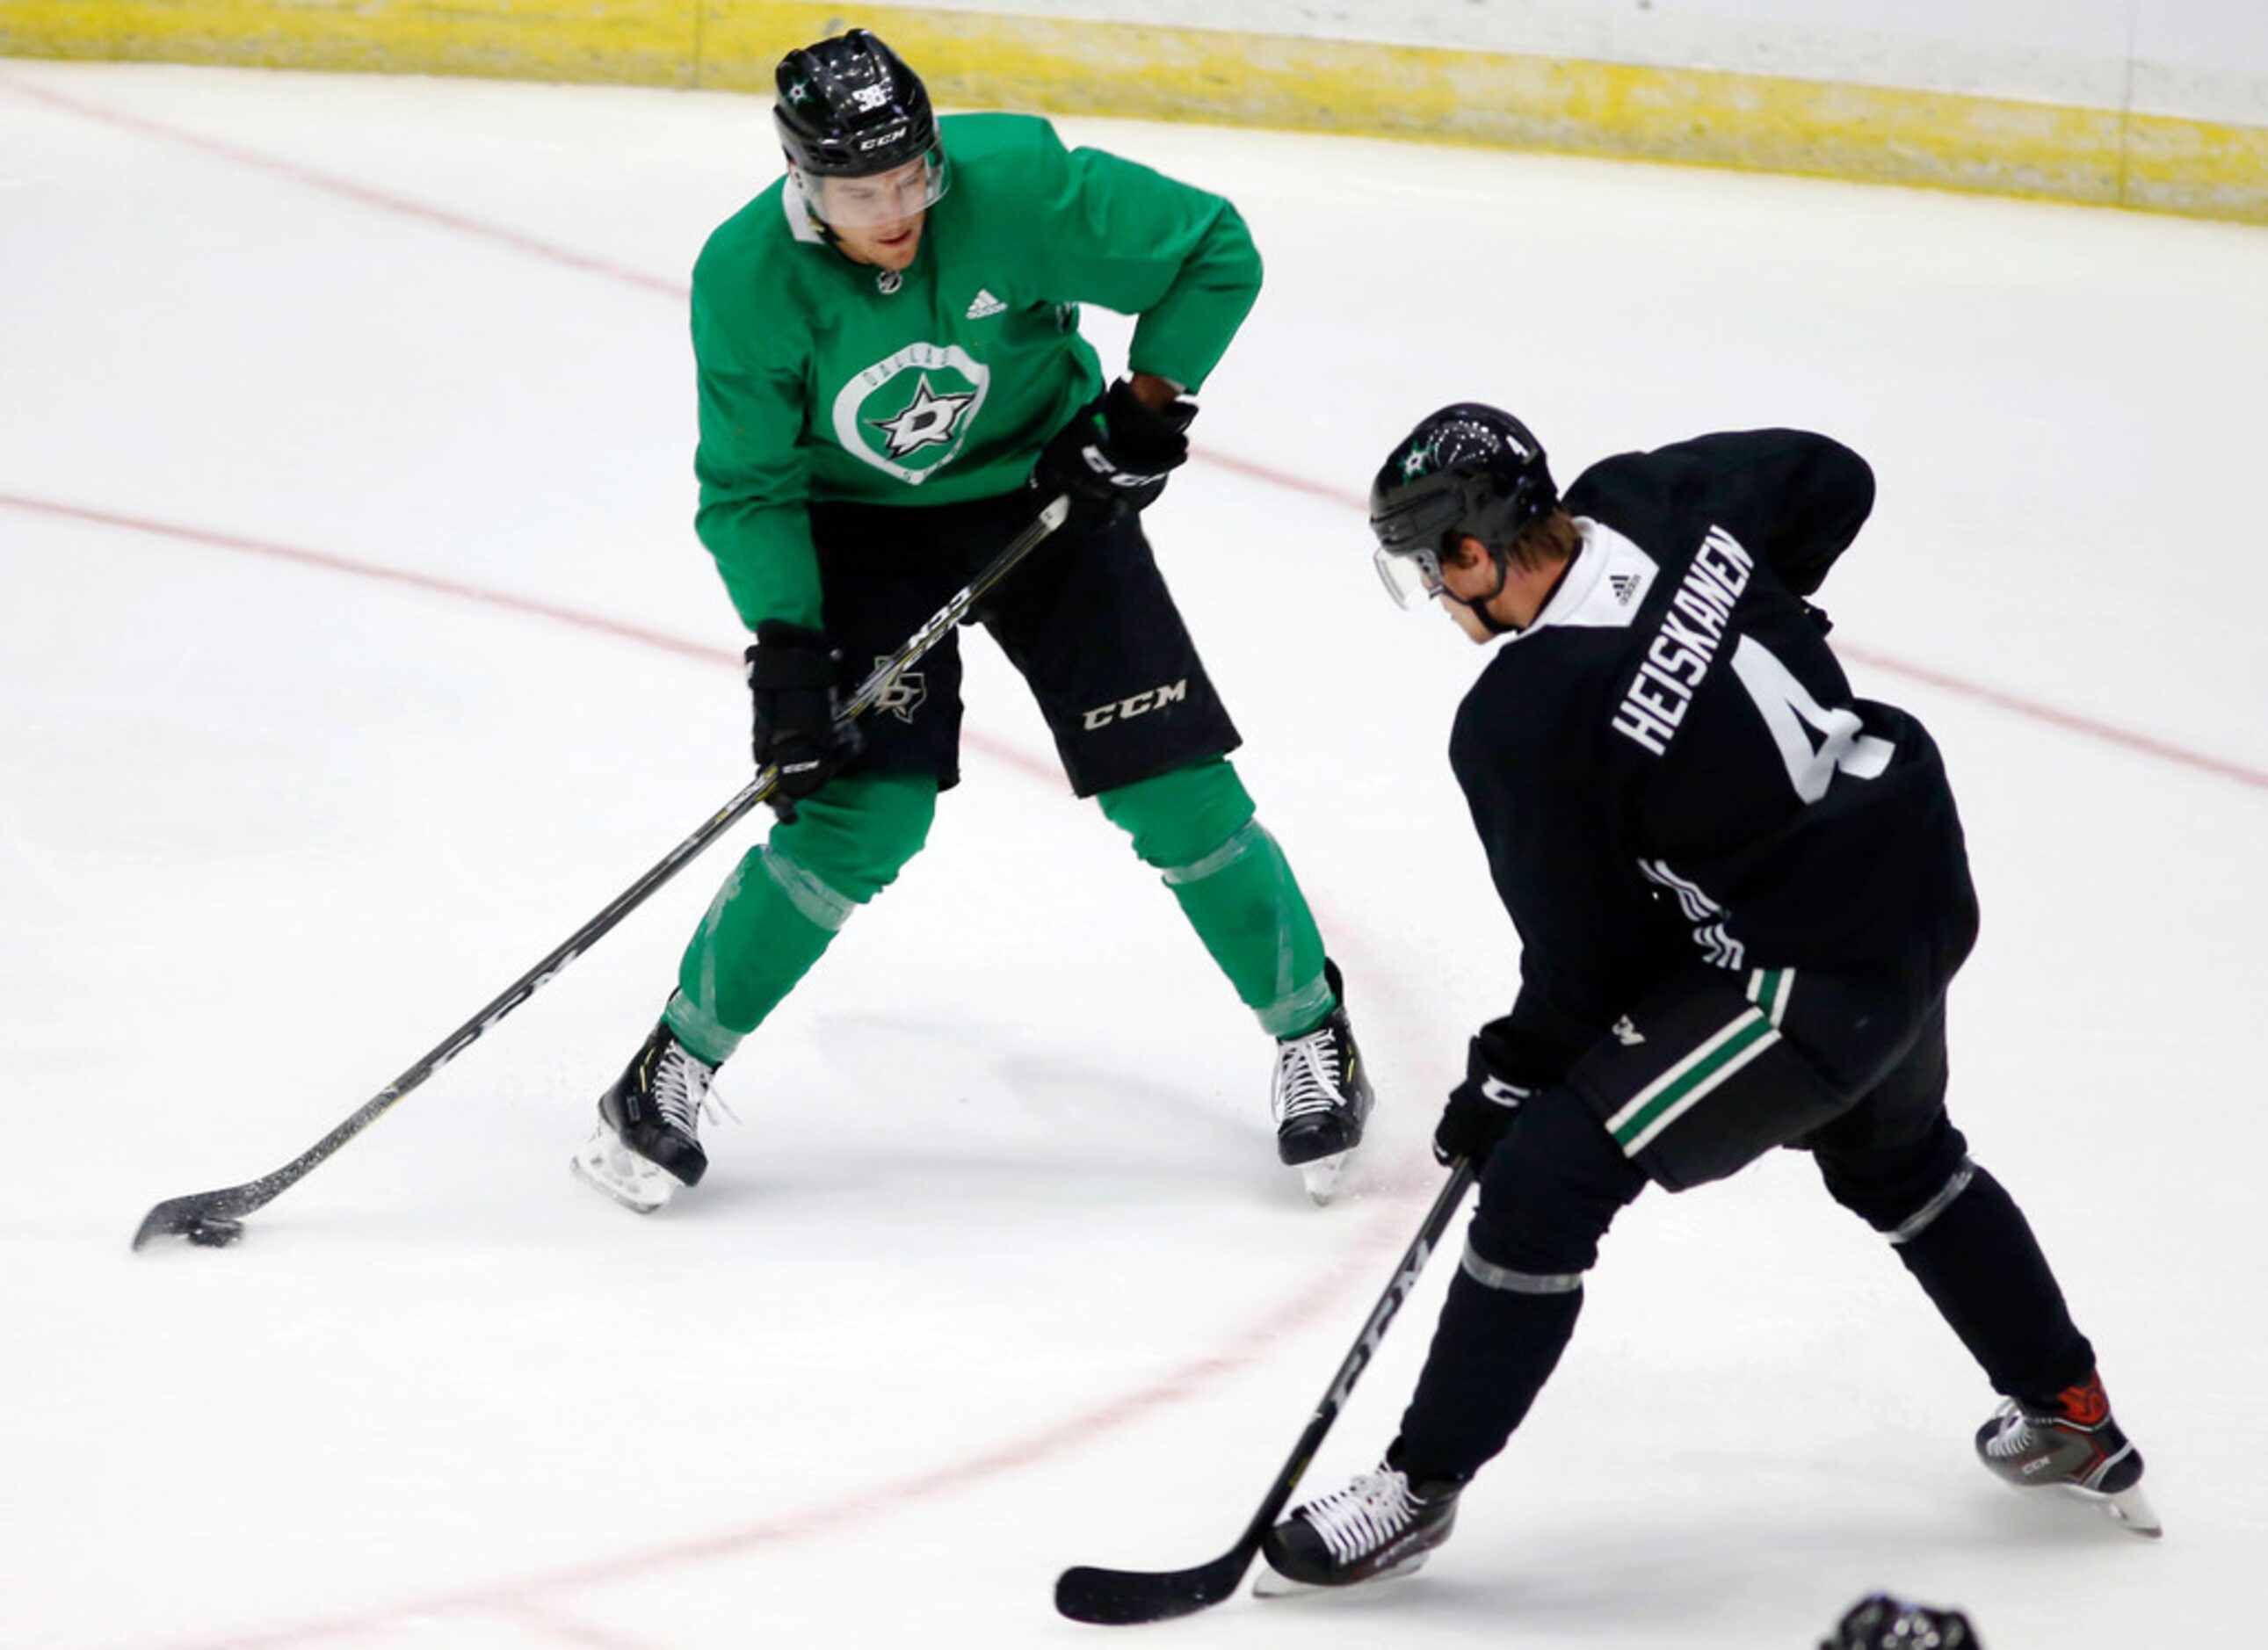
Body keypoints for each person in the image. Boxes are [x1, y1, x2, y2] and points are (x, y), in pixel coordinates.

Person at [1259, 404, 2156, 1588]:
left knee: (1541, 1179)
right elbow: (1833, 474)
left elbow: (1587, 960)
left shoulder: (1524, 715)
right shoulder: (1651, 499)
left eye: (1432, 570)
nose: (1434, 597)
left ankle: (1417, 1486)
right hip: (1899, 866)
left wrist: (1507, 1077)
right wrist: (1765, 616)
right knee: (1897, 1160)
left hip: (1807, 969)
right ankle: (2071, 1413)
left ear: (1472, 553)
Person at [569, 29, 1371, 1213]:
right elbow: (749, 486)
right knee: (858, 820)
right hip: (862, 537)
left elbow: (1214, 248)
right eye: (860, 191)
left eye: (911, 178)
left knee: (1171, 784)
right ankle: (669, 1068)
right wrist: (788, 650)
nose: (896, 210)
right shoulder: (744, 278)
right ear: (803, 180)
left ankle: (1313, 1032)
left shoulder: (1017, 183)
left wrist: (1141, 411)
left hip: (1046, 496)